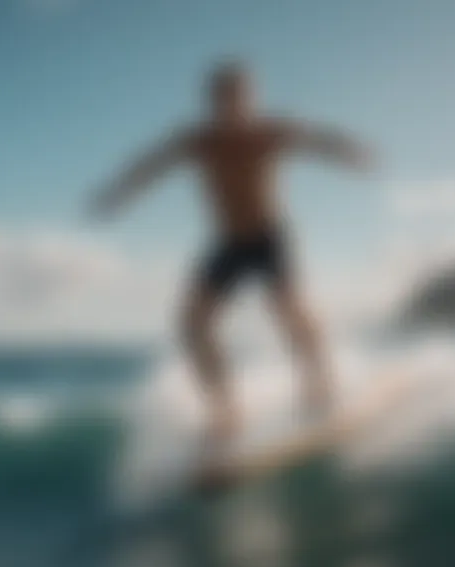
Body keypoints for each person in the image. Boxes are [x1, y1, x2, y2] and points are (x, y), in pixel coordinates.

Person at [90, 61, 376, 445]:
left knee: (288, 309)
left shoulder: (270, 131)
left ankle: (318, 384)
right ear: (213, 101)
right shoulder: (197, 141)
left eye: (240, 96)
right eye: (224, 97)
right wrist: (117, 193)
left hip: (269, 237)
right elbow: (150, 166)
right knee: (193, 324)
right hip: (228, 243)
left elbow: (318, 141)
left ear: (251, 98)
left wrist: (351, 152)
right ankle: (225, 411)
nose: (233, 105)